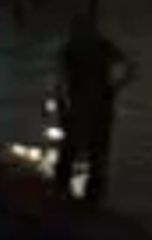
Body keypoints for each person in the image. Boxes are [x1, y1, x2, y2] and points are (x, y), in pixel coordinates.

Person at [53, 15, 129, 201]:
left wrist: (63, 106)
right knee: (96, 157)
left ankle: (63, 195)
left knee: (71, 152)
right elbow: (130, 67)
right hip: (99, 107)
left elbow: (60, 82)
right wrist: (115, 87)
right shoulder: (102, 46)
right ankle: (90, 201)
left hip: (81, 108)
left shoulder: (70, 49)